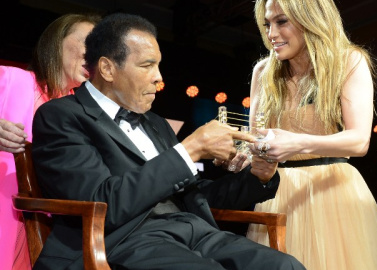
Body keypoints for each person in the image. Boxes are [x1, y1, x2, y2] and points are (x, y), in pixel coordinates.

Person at [30, 13, 305, 270]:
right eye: (147, 65)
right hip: (119, 241)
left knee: (285, 266)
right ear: (107, 68)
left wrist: (257, 177)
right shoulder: (61, 115)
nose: (159, 77)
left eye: (158, 65)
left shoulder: (155, 122)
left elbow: (195, 197)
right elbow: (100, 203)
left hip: (192, 232)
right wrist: (191, 149)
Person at [244, 0, 377, 269]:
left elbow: (359, 141)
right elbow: (256, 140)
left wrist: (297, 143)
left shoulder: (348, 60)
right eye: (267, 24)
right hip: (277, 197)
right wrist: (240, 155)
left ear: (310, 19)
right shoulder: (263, 72)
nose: (271, 34)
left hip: (334, 194)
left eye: (281, 22)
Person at [0, 13, 100, 270]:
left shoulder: (77, 112)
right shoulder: (11, 80)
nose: (93, 57)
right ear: (57, 41)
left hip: (43, 232)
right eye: (87, 44)